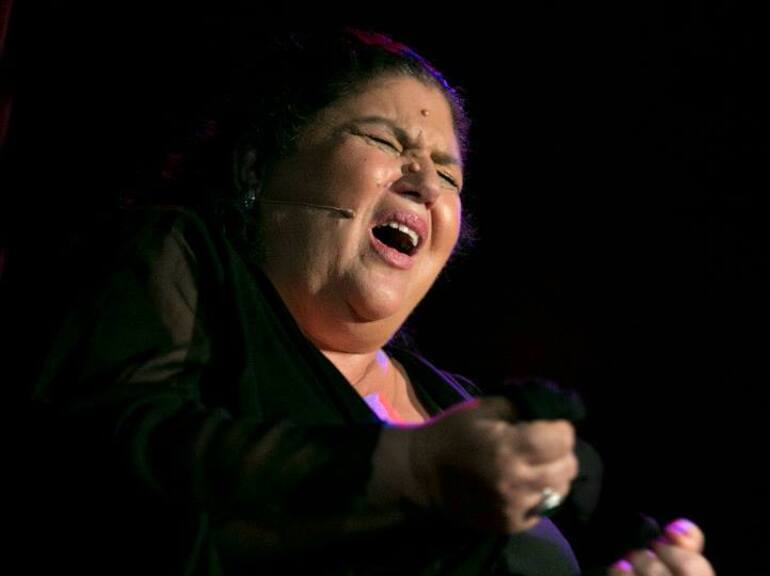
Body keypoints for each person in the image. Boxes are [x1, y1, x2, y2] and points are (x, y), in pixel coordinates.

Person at [25, 27, 715, 575]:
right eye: (385, 140)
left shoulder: (457, 404)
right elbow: (106, 474)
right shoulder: (182, 261)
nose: (427, 185)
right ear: (261, 162)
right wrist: (409, 470)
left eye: (449, 175)